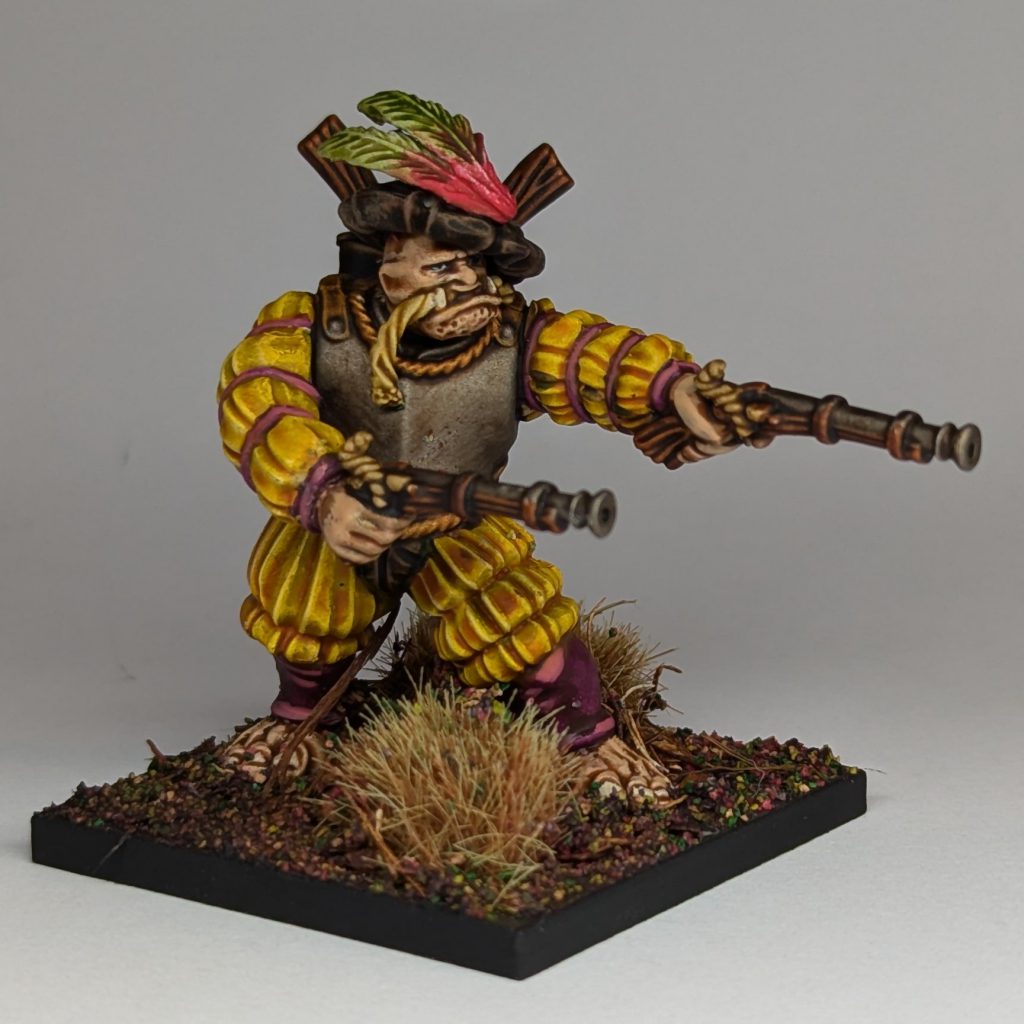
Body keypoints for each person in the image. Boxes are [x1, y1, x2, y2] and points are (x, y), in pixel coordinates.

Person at [217, 91, 753, 798]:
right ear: (386, 266)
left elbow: (593, 358)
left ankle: (586, 742)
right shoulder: (311, 326)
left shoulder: (511, 335)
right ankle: (301, 719)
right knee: (307, 609)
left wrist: (676, 391)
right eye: (433, 266)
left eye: (468, 266)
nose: (460, 284)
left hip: (458, 516)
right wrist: (323, 491)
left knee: (521, 626)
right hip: (339, 513)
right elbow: (261, 401)